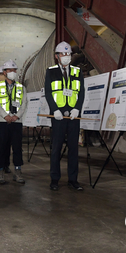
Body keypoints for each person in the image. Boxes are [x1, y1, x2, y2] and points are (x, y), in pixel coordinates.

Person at [44, 41, 85, 191]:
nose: (67, 57)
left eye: (69, 54)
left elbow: (81, 93)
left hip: (74, 117)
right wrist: (54, 110)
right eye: (63, 54)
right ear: (57, 56)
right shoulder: (51, 71)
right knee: (56, 148)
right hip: (58, 116)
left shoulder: (77, 71)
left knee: (74, 148)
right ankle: (55, 179)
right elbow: (48, 92)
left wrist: (77, 109)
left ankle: (73, 179)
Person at [0, 60, 28, 184]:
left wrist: (16, 116)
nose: (12, 73)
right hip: (3, 121)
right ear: (4, 72)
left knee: (17, 148)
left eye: (14, 70)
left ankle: (18, 172)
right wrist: (5, 116)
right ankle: (0, 171)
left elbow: (24, 104)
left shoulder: (21, 87)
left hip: (16, 122)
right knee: (1, 147)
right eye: (9, 70)